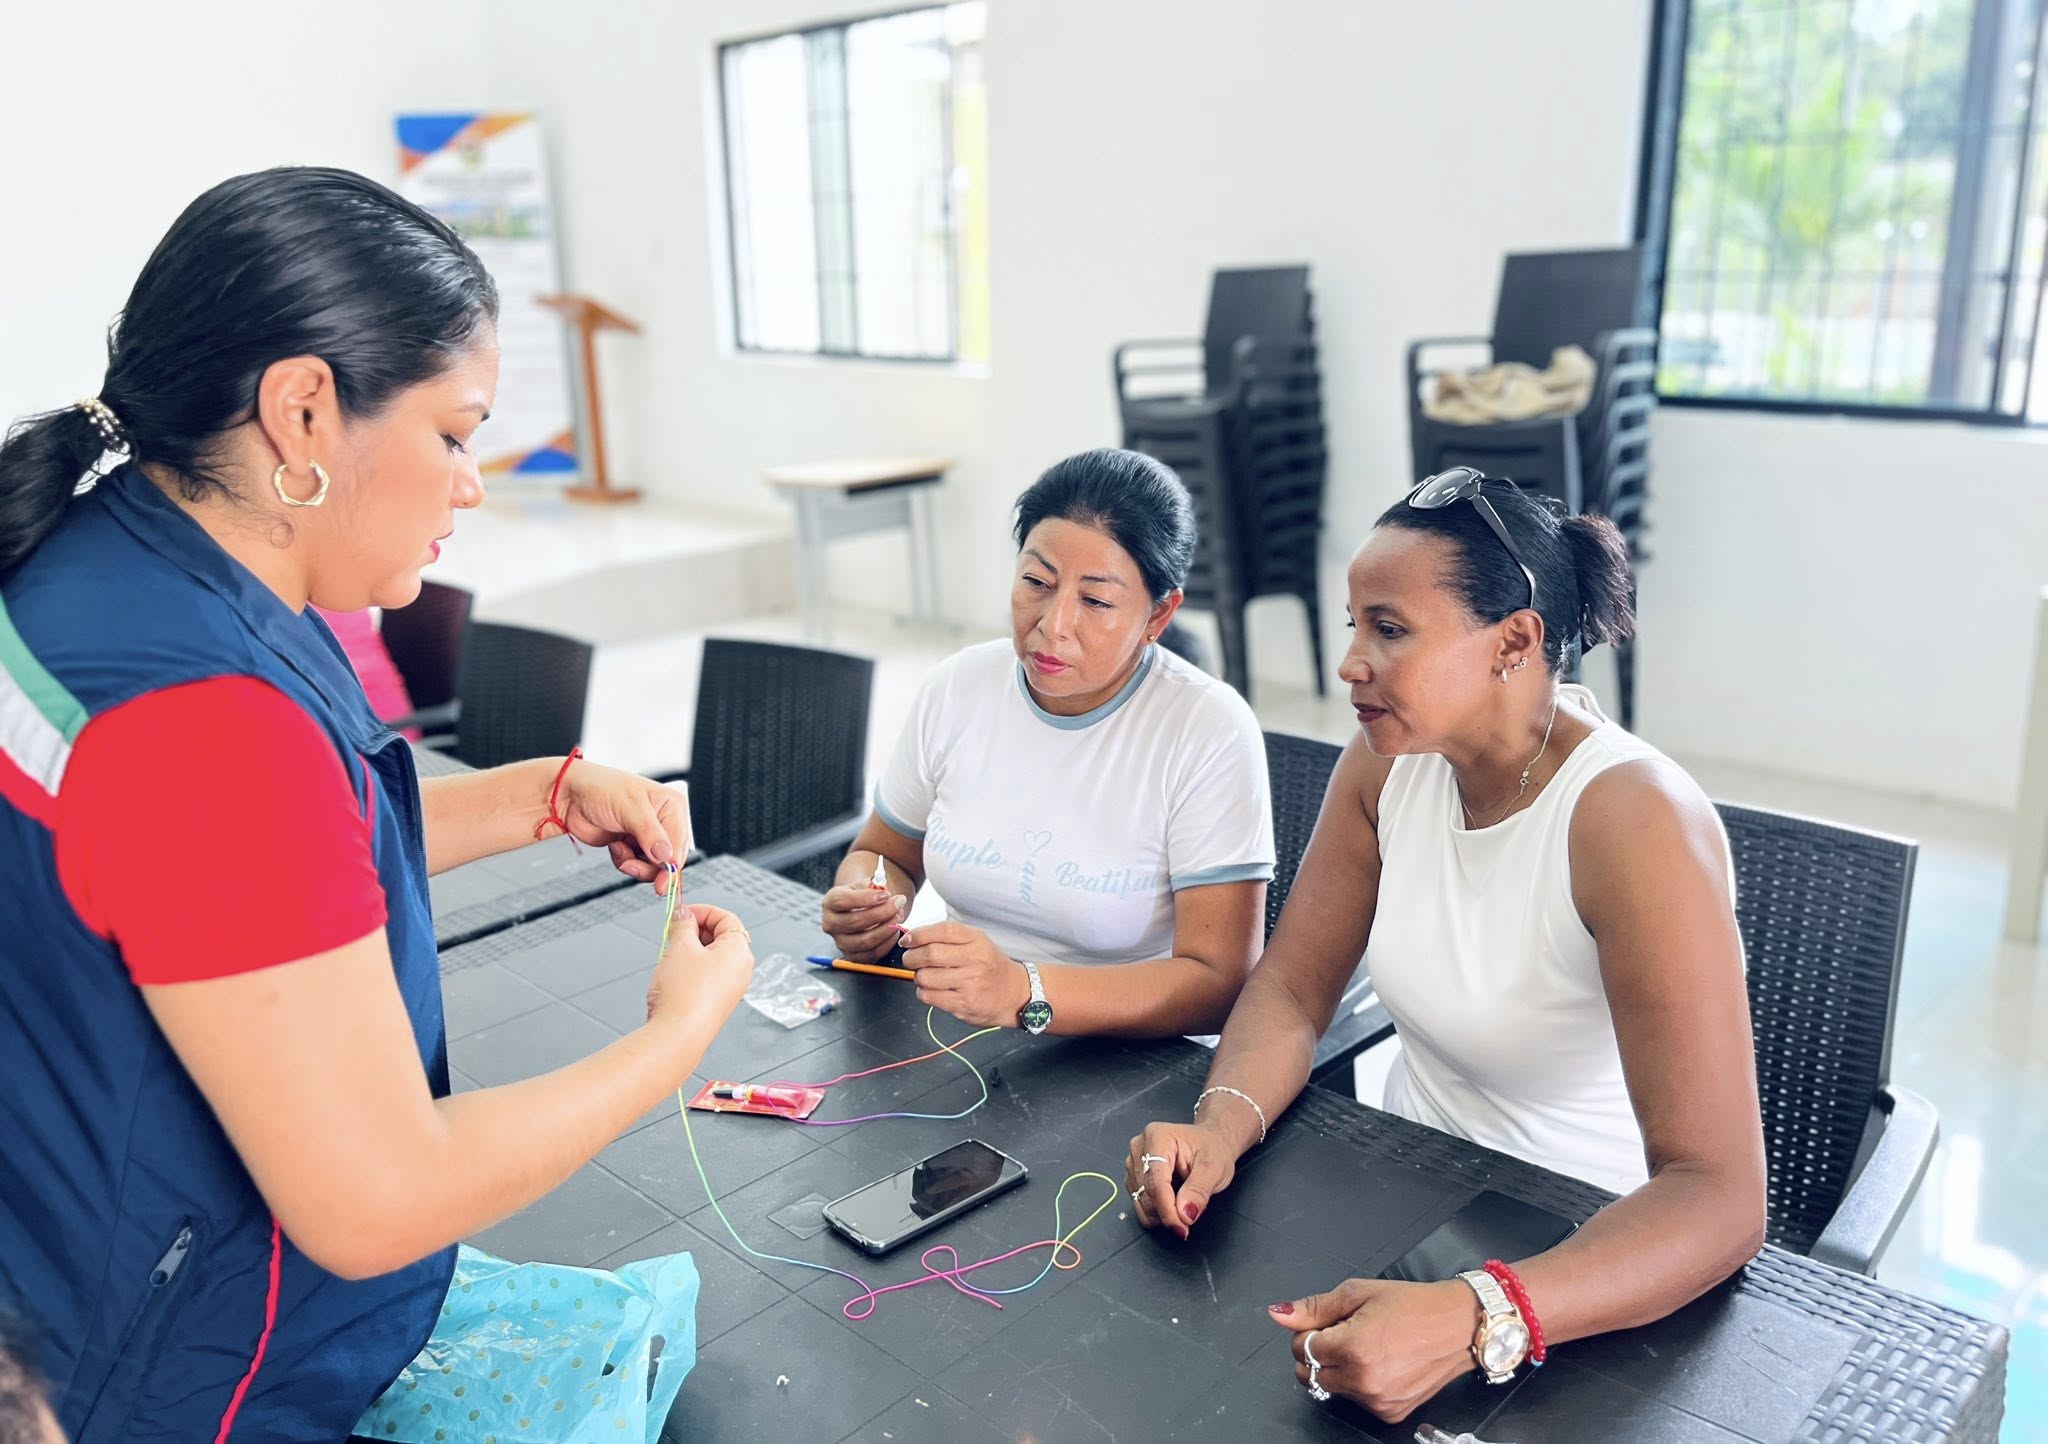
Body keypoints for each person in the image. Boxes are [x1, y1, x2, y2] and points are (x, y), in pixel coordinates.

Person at [0, 168, 754, 1442]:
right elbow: (376, 1196)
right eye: (454, 434)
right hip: (166, 1373)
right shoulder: (205, 719)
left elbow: (247, 880)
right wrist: (673, 1039)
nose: (472, 482)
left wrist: (538, 795)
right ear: (302, 410)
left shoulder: (109, 565)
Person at [1125, 469, 1765, 1421]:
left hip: (1585, 1259)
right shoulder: (1388, 764)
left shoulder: (1634, 822)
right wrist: (1221, 1127)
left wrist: (1479, 1315)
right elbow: (1294, 988)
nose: (1350, 663)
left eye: (1389, 630)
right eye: (1353, 625)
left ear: (1515, 641)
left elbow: (1719, 1197)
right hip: (1411, 1197)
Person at [820, 448, 1274, 1037]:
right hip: (966, 1029)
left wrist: (1023, 992)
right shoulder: (959, 687)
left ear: (1158, 617)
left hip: (1133, 1054)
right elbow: (886, 855)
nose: (1053, 624)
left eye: (1096, 601)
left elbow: (1219, 983)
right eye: (1036, 582)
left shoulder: (1206, 728)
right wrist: (865, 900)